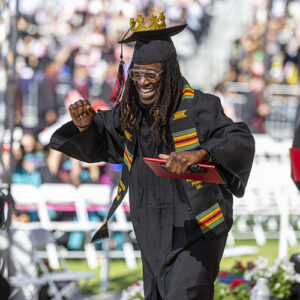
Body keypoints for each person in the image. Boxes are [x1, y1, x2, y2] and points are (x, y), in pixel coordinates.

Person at [50, 12, 255, 300]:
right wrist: (86, 126)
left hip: (195, 227)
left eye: (151, 74)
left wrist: (199, 153)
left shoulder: (200, 108)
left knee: (184, 293)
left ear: (169, 73)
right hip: (151, 229)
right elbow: (106, 137)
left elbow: (238, 138)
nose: (142, 82)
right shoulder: (131, 114)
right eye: (136, 74)